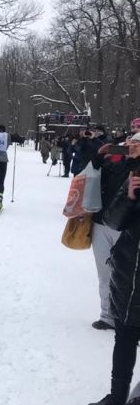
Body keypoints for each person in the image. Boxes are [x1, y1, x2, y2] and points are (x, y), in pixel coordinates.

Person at [86, 143, 140, 405]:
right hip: (129, 276)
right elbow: (113, 220)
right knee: (125, 339)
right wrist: (129, 197)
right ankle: (117, 397)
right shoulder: (132, 176)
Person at [89, 139, 138, 330]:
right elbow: (90, 177)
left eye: (137, 144)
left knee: (126, 274)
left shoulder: (134, 167)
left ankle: (124, 316)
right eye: (130, 143)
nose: (132, 147)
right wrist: (99, 156)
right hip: (101, 222)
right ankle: (107, 314)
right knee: (104, 271)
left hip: (126, 227)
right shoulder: (112, 164)